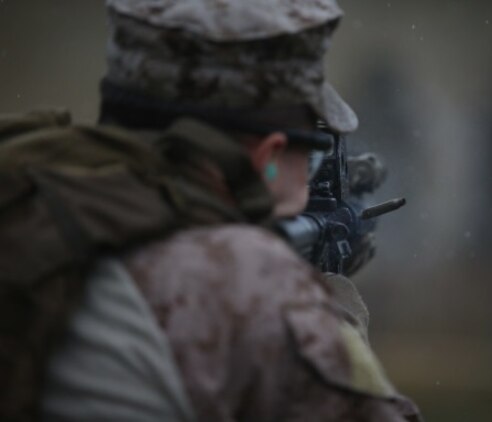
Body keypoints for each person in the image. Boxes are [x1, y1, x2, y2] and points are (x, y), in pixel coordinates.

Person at [0, 0, 421, 421]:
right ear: (268, 153)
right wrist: (332, 311)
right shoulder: (248, 278)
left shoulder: (28, 198)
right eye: (311, 153)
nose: (309, 179)